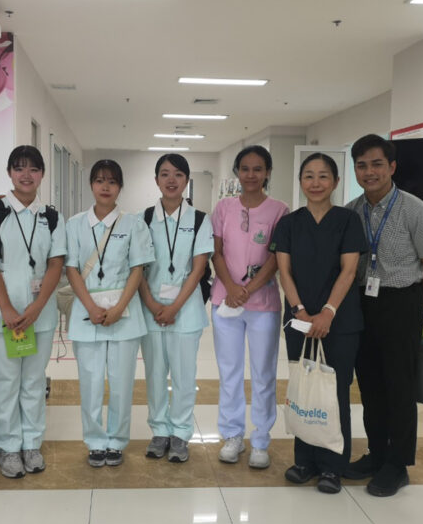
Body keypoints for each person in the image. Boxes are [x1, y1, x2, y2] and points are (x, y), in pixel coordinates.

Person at [344, 134, 423, 497]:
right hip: (361, 303)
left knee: (399, 386)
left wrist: (417, 305)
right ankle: (376, 453)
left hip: (401, 303)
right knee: (369, 383)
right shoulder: (353, 210)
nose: (369, 172)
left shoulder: (416, 210)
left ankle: (398, 463)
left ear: (392, 167)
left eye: (376, 164)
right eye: (362, 165)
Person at [271, 153, 366, 494]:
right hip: (298, 319)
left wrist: (327, 312)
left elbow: (349, 271)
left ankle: (332, 466)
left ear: (336, 182)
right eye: (308, 176)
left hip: (340, 320)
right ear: (300, 182)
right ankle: (304, 460)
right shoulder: (289, 223)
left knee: (334, 391)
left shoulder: (348, 221)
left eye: (323, 176)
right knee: (303, 386)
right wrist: (298, 310)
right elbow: (284, 271)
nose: (315, 182)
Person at [0, 145, 66, 478]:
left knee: (33, 383)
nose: (26, 175)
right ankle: (9, 448)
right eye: (19, 168)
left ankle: (31, 444)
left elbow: (56, 263)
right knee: (4, 383)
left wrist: (38, 305)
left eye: (33, 169)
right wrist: (8, 308)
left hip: (39, 316)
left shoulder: (51, 216)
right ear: (10, 173)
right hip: (2, 318)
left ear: (42, 174)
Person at [66, 159, 155, 467]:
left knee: (121, 382)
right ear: (91, 185)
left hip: (124, 314)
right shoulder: (75, 224)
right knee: (90, 382)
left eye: (112, 181)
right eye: (100, 180)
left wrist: (119, 308)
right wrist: (91, 307)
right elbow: (72, 269)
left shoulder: (133, 223)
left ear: (120, 187)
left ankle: (116, 440)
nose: (105, 187)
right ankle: (94, 440)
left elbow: (137, 269)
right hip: (86, 312)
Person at [210, 145, 289, 468]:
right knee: (229, 372)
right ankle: (231, 435)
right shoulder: (223, 208)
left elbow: (276, 257)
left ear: (268, 172)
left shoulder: (280, 210)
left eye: (258, 169)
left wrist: (249, 290)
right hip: (225, 301)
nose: (251, 175)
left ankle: (260, 440)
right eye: (245, 169)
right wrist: (231, 287)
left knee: (263, 373)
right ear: (237, 173)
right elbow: (216, 251)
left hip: (264, 304)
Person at [139, 154, 214, 463]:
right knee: (155, 374)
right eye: (165, 174)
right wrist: (154, 304)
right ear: (156, 179)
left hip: (186, 311)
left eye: (179, 175)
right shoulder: (143, 219)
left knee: (184, 375)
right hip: (151, 308)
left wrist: (174, 307)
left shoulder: (199, 219)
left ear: (186, 181)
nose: (171, 180)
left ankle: (181, 433)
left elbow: (199, 269)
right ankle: (159, 430)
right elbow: (138, 270)